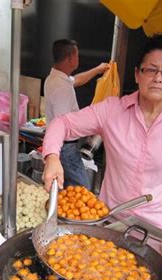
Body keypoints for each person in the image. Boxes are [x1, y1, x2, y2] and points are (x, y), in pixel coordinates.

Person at [42, 33, 162, 249]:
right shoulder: (112, 110)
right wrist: (52, 156)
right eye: (151, 69)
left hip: (157, 229)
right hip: (111, 223)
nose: (159, 78)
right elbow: (62, 123)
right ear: (137, 74)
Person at [44, 39, 109, 189]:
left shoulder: (54, 78)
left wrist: (97, 70)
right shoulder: (62, 88)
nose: (78, 59)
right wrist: (95, 127)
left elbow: (76, 80)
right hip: (66, 147)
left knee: (67, 188)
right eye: (77, 55)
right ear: (71, 57)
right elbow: (63, 124)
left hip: (62, 146)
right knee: (81, 190)